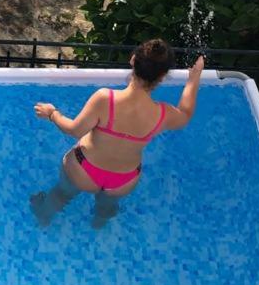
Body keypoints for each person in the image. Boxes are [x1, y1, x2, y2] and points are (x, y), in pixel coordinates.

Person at [29, 39, 204, 228]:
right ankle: (98, 225)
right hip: (123, 179)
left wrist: (52, 114)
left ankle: (44, 216)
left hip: (83, 170)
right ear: (162, 76)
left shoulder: (106, 99)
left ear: (133, 59)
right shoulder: (162, 114)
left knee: (62, 194)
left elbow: (74, 130)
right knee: (107, 206)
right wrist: (194, 78)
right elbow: (185, 114)